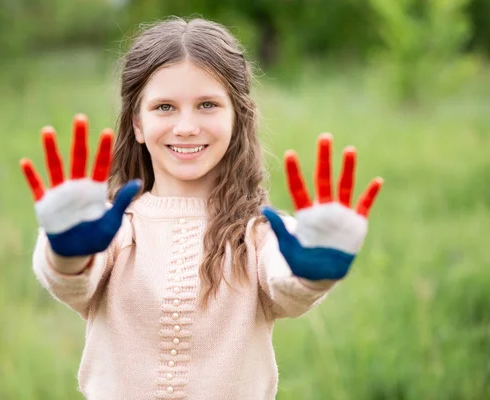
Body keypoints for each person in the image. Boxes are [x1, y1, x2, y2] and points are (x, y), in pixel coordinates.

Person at [19, 16, 383, 400]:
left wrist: (310, 272)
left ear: (237, 118)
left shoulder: (258, 234)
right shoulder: (111, 228)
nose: (186, 126)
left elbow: (287, 284)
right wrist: (65, 253)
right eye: (164, 107)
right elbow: (71, 279)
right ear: (137, 124)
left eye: (207, 104)